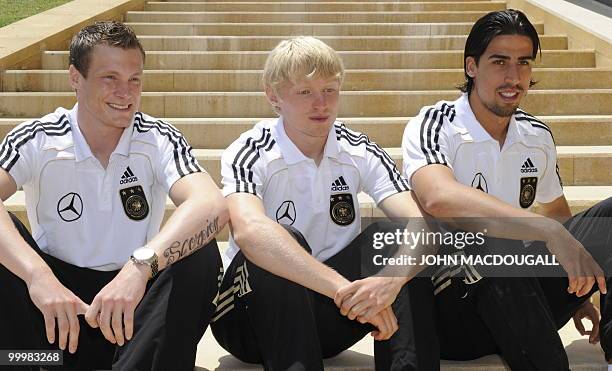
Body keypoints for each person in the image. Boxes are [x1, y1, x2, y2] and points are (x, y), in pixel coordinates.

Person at [0, 21, 228, 371]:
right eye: (110, 78)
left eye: (134, 79)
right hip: (56, 317)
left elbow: (210, 205)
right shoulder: (39, 137)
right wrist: (38, 277)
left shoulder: (157, 137)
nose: (126, 92)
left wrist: (138, 269)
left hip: (132, 315)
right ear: (75, 78)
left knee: (200, 253)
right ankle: (26, 365)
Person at [210, 36, 438, 371]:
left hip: (334, 317)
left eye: (330, 90)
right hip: (248, 321)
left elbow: (423, 228)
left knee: (391, 237)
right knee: (278, 237)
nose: (321, 103)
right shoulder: (251, 150)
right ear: (273, 95)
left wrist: (388, 283)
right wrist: (343, 289)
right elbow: (248, 231)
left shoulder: (359, 148)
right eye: (305, 92)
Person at [402, 9, 612, 369]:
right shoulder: (436, 124)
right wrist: (544, 230)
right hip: (456, 308)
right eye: (500, 61)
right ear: (472, 67)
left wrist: (578, 293)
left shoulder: (536, 135)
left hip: (525, 291)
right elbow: (438, 197)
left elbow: (559, 214)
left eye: (524, 63)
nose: (513, 76)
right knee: (492, 242)